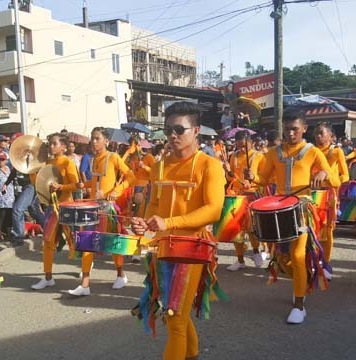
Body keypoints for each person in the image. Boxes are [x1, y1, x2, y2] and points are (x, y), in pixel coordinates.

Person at [131, 101, 225, 360]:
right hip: (162, 248)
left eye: (179, 129)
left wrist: (169, 223)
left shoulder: (209, 165)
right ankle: (192, 354)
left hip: (192, 249)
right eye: (167, 129)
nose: (172, 135)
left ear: (196, 131)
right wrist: (144, 223)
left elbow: (214, 209)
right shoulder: (159, 166)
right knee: (173, 314)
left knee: (174, 316)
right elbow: (153, 206)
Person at [248, 109, 330, 324]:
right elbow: (263, 180)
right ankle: (301, 285)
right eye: (287, 129)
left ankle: (299, 305)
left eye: (295, 129)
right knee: (285, 258)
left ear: (304, 129)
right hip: (279, 208)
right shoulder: (274, 153)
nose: (291, 133)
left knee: (298, 255)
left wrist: (322, 174)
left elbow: (334, 178)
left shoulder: (313, 152)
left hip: (302, 209)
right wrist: (253, 177)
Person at [68, 127, 136, 296]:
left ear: (106, 141)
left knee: (112, 244)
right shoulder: (91, 159)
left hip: (107, 208)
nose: (93, 141)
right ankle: (85, 285)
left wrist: (115, 192)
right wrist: (84, 185)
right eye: (92, 138)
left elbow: (131, 177)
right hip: (91, 207)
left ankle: (121, 274)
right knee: (86, 244)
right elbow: (96, 181)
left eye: (97, 138)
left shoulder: (113, 157)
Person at [31, 133, 80, 290]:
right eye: (49, 144)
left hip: (66, 206)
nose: (50, 146)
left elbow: (76, 184)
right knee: (47, 241)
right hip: (52, 208)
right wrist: (31, 172)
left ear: (63, 146)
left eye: (54, 143)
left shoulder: (67, 162)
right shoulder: (47, 162)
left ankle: (86, 266)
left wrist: (61, 187)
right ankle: (48, 276)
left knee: (75, 241)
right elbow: (39, 185)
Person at [223, 130, 266, 270]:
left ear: (251, 143)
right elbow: (230, 178)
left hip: (252, 196)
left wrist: (254, 179)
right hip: (236, 196)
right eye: (238, 145)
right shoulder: (233, 156)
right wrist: (227, 170)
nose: (241, 149)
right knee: (236, 230)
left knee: (252, 228)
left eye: (244, 146)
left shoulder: (259, 156)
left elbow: (266, 180)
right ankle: (240, 260)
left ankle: (256, 251)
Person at [313, 122, 349, 276]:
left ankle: (326, 263)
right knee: (313, 229)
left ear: (331, 136)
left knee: (327, 230)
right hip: (313, 193)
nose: (318, 136)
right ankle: (314, 261)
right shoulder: (310, 151)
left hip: (329, 194)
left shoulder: (336, 151)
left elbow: (345, 175)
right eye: (316, 133)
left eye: (321, 133)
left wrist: (332, 180)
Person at [0, 152, 14, 241]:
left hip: (10, 195)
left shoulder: (8, 169)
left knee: (9, 214)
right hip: (0, 195)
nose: (1, 161)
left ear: (6, 160)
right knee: (1, 214)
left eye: (3, 159)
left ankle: (8, 232)